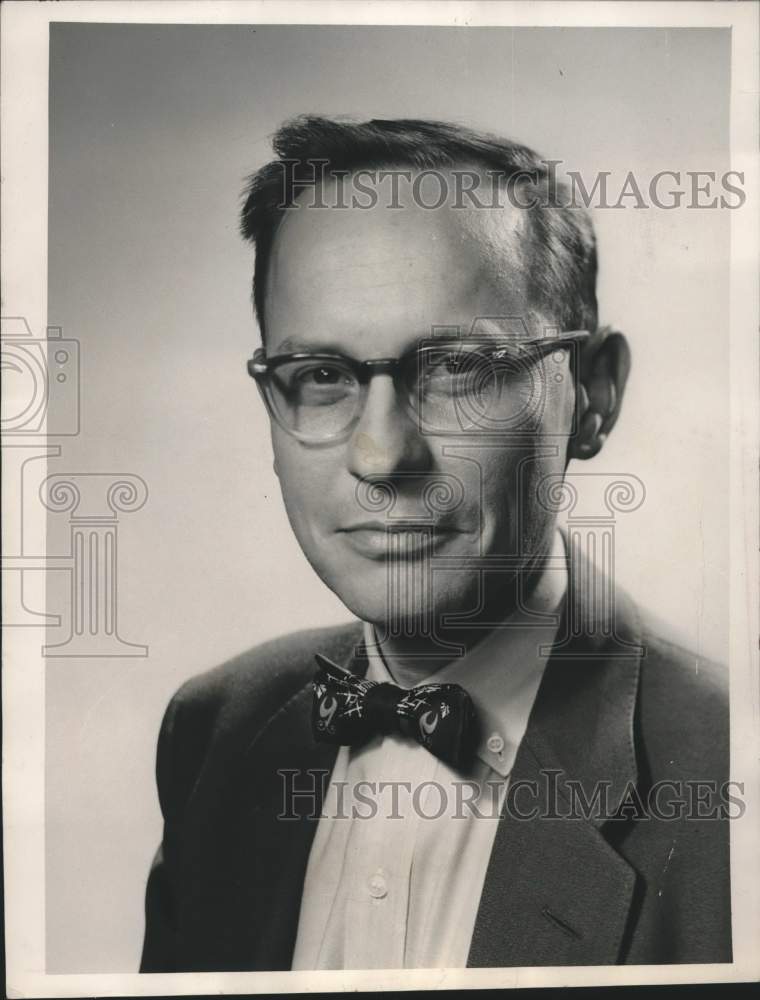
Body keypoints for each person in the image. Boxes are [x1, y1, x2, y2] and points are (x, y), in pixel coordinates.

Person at [139, 116, 731, 972]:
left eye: (457, 368)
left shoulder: (724, 765)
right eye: (322, 376)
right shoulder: (216, 731)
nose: (381, 457)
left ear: (595, 395)